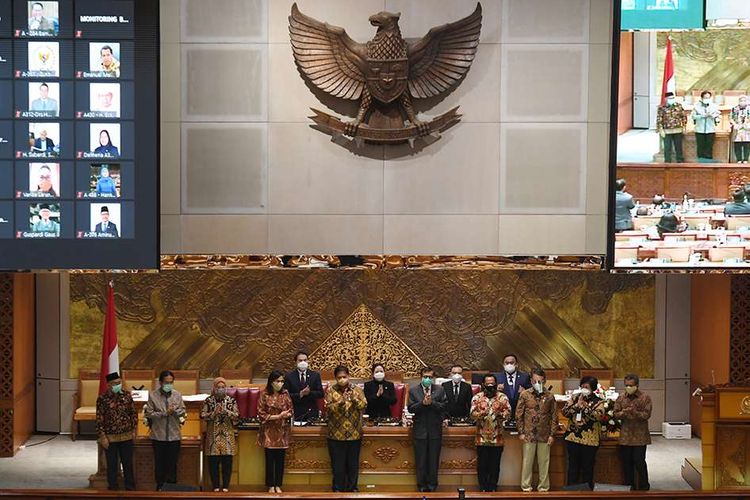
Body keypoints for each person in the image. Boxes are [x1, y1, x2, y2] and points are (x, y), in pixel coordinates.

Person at [325, 365, 367, 492]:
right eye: (339, 377)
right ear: (335, 378)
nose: (342, 379)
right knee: (338, 465)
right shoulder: (330, 390)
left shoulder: (357, 390)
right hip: (336, 434)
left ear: (348, 376)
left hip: (354, 434)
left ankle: (352, 487)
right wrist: (341, 402)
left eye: (344, 377)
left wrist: (354, 400)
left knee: (352, 464)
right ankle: (338, 488)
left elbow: (363, 405)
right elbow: (328, 408)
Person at [143, 370, 186, 491]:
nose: (169, 385)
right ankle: (160, 487)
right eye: (166, 382)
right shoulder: (153, 395)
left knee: (172, 464)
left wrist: (175, 411)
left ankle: (172, 487)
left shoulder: (177, 395)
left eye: (171, 382)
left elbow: (183, 410)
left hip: (174, 435)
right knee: (160, 463)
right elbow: (150, 414)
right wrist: (164, 413)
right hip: (159, 436)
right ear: (160, 382)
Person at [516, 368, 557, 493]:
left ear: (544, 380)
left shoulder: (550, 396)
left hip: (544, 434)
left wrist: (552, 434)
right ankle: (526, 486)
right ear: (531, 381)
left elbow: (554, 416)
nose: (537, 383)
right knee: (527, 462)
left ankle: (543, 487)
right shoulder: (525, 394)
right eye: (534, 381)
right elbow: (519, 415)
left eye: (540, 381)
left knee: (544, 462)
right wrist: (521, 432)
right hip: (529, 434)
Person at [408, 366, 447, 492]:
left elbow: (444, 406)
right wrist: (422, 404)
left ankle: (432, 486)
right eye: (425, 377)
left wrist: (432, 403)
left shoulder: (440, 390)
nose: (427, 379)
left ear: (433, 378)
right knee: (421, 461)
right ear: (421, 377)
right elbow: (410, 408)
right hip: (420, 431)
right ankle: (421, 486)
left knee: (433, 461)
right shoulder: (414, 390)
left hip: (435, 430)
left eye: (430, 377)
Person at [96, 372, 137, 491]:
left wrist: (134, 430)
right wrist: (103, 437)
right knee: (112, 465)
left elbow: (133, 414)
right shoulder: (102, 399)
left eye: (119, 383)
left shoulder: (127, 396)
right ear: (108, 385)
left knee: (128, 464)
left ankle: (130, 488)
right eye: (115, 384)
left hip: (126, 436)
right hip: (110, 438)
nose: (118, 385)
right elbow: (99, 419)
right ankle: (112, 488)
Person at [562, 376, 605, 490]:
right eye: (582, 386)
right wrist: (576, 405)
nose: (583, 389)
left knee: (587, 468)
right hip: (573, 438)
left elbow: (598, 416)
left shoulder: (598, 401)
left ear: (593, 388)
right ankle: (571, 492)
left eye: (586, 387)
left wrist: (585, 408)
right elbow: (565, 412)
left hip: (589, 441)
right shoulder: (575, 397)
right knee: (573, 468)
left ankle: (587, 493)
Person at [470, 373, 511, 492]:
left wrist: (501, 414)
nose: (490, 386)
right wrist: (481, 413)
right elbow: (472, 414)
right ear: (483, 385)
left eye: (492, 384)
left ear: (496, 384)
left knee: (494, 465)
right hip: (481, 438)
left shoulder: (502, 397)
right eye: (488, 384)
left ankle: (493, 486)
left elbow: (508, 414)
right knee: (482, 465)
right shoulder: (477, 398)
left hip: (496, 437)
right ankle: (483, 486)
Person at [200, 377, 239, 493]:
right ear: (214, 388)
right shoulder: (208, 400)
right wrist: (213, 413)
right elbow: (202, 415)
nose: (221, 389)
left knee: (227, 462)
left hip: (227, 435)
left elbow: (237, 415)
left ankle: (226, 486)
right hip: (213, 436)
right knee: (213, 463)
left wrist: (227, 411)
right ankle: (215, 486)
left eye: (223, 387)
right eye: (218, 387)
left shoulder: (231, 400)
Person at [614, 374, 652, 491]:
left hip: (640, 437)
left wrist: (635, 412)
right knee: (627, 464)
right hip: (625, 437)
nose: (628, 387)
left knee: (639, 463)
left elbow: (647, 415)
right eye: (626, 385)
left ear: (637, 385)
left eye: (631, 385)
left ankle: (644, 487)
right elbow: (615, 414)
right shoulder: (621, 398)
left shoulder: (645, 397)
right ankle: (629, 487)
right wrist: (624, 413)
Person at [257, 370, 294, 493]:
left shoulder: (285, 393)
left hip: (282, 431)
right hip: (269, 431)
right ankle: (270, 485)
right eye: (277, 381)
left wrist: (286, 414)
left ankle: (278, 484)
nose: (280, 383)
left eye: (282, 381)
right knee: (269, 459)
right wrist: (278, 416)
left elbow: (291, 410)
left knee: (280, 460)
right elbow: (261, 414)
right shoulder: (264, 394)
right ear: (271, 381)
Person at [284, 350, 324, 421]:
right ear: (296, 362)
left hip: (311, 411)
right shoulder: (289, 376)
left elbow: (320, 394)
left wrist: (309, 393)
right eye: (300, 360)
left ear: (308, 361)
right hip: (296, 412)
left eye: (305, 360)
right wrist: (300, 394)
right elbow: (285, 395)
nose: (303, 362)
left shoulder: (315, 375)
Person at [494, 354, 531, 421]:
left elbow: (531, 393)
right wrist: (496, 390)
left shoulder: (525, 377)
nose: (509, 365)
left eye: (511, 363)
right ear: (503, 365)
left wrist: (525, 392)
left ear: (516, 364)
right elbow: (489, 394)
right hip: (502, 412)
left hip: (520, 411)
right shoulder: (496, 377)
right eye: (507, 363)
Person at [656, 92, 687, 163]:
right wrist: (660, 129)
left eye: (673, 98)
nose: (672, 99)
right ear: (666, 99)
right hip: (666, 130)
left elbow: (683, 117)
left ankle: (680, 161)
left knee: (678, 147)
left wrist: (684, 127)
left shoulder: (678, 106)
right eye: (670, 98)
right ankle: (667, 162)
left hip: (678, 129)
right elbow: (659, 119)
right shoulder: (662, 108)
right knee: (667, 148)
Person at [691, 90, 721, 160]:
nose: (707, 99)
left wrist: (713, 116)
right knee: (700, 147)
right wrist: (702, 116)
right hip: (699, 130)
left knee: (709, 147)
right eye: (705, 98)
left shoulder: (714, 106)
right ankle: (700, 162)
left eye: (708, 97)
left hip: (710, 130)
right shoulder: (696, 106)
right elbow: (693, 116)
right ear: (701, 98)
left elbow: (718, 117)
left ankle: (708, 162)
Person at [731, 95, 750, 163]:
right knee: (738, 144)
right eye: (741, 100)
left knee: (746, 144)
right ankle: (738, 159)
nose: (742, 102)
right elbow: (731, 118)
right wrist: (734, 124)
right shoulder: (734, 109)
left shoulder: (749, 109)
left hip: (747, 128)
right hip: (737, 128)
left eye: (744, 100)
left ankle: (745, 159)